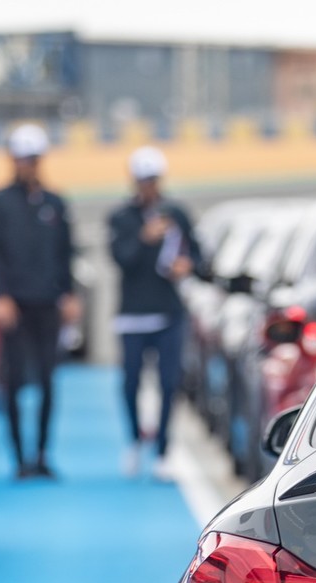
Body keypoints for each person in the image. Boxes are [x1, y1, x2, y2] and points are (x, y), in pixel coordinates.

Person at [0, 123, 80, 479]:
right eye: (23, 159)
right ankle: (19, 458)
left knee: (49, 380)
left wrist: (68, 293)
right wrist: (1, 296)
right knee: (13, 379)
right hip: (14, 306)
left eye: (33, 159)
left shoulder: (55, 204)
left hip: (47, 304)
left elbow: (66, 253)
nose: (28, 165)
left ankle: (41, 454)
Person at [107, 145, 204, 480]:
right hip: (133, 314)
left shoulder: (176, 213)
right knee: (130, 382)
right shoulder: (121, 218)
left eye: (153, 179)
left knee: (168, 382)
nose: (148, 186)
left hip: (168, 312)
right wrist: (144, 238)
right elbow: (121, 260)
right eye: (142, 180)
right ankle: (135, 438)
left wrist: (187, 265)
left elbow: (199, 257)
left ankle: (163, 448)